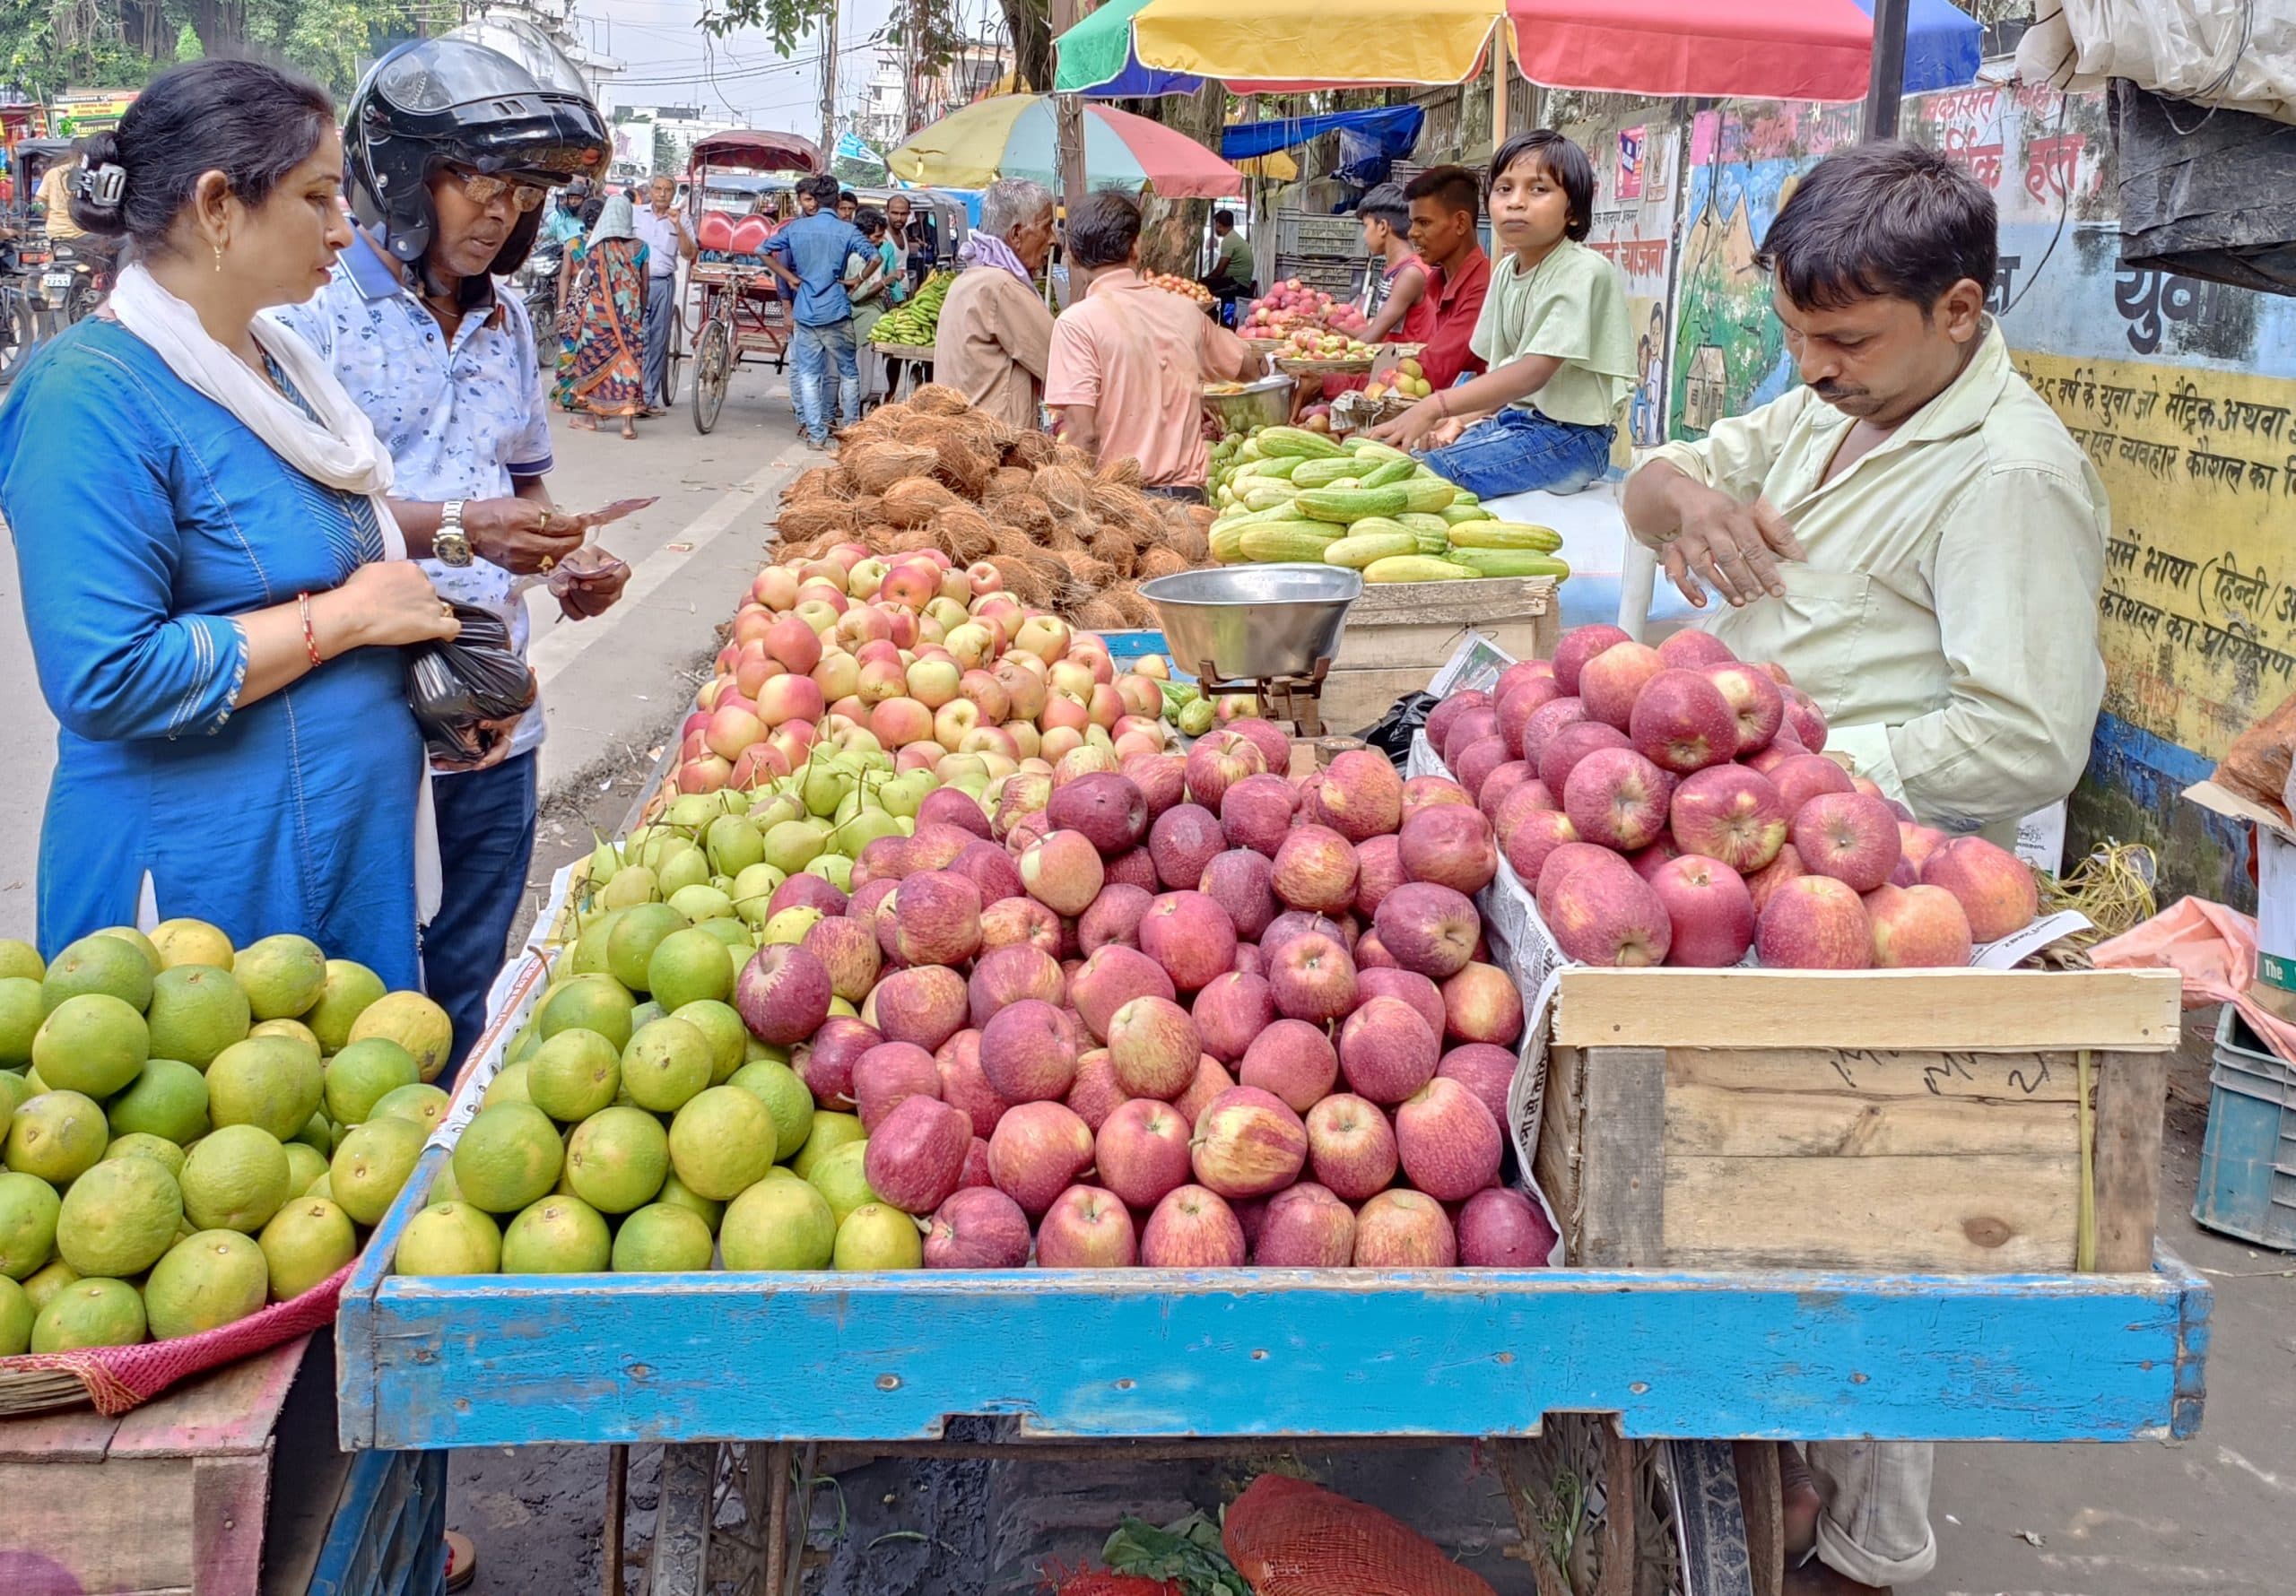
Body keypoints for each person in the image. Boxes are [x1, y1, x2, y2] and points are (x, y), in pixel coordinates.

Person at [1622, 141, 2109, 1592]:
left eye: (1840, 338)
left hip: (1900, 882)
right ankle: (1774, 1465)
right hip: (1767, 855)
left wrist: (1802, 775)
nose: (1811, 362)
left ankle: (1871, 1545)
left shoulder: (2010, 475)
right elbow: (1667, 473)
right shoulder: (1833, 408)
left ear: (1961, 309)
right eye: (1794, 334)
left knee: (1880, 1210)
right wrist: (1682, 506)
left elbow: (2025, 737)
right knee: (1766, 1188)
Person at [0, 59, 458, 981]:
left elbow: (332, 556)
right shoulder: (87, 397)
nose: (345, 229)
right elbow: (106, 674)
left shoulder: (278, 367)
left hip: (338, 846)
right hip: (203, 887)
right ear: (218, 205)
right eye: (319, 197)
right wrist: (352, 619)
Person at [274, 37, 631, 1079]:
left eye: (519, 190)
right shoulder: (312, 315)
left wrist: (567, 559)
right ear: (398, 172)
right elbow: (298, 519)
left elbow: (522, 482)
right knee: (360, 1011)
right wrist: (471, 526)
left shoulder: (510, 321)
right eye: (474, 178)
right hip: (368, 721)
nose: (499, 211)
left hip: (496, 721)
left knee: (464, 984)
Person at [1374, 131, 1635, 499]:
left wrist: (1436, 405)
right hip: (1515, 423)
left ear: (1572, 210)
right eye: (1504, 189)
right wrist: (1460, 420)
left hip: (1571, 440)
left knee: (1436, 474)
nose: (1516, 202)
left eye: (1538, 190)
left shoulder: (1584, 270)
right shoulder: (1505, 272)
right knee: (1417, 457)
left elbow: (1531, 372)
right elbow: (1504, 372)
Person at [1046, 190, 1260, 499]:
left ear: (1074, 257)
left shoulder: (1076, 324)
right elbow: (1247, 369)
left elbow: (1084, 435)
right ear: (1136, 247)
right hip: (1187, 502)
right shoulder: (1186, 311)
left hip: (1119, 504)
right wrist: (1264, 360)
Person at [934, 177, 1056, 431]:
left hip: (964, 437)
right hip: (996, 445)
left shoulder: (970, 279)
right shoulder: (1001, 287)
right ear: (1016, 234)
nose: (1053, 239)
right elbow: (1060, 362)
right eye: (1047, 227)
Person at [763, 171, 873, 449]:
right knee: (848, 371)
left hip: (805, 310)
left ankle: (816, 435)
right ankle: (850, 431)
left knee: (809, 374)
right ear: (837, 201)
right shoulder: (847, 230)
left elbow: (761, 249)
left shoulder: (797, 228)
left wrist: (789, 277)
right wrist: (856, 280)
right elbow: (876, 256)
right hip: (836, 308)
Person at [556, 194, 649, 438]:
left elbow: (586, 280)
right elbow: (645, 287)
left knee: (593, 364)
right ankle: (628, 425)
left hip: (599, 319)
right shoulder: (641, 247)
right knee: (628, 364)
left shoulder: (597, 248)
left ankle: (593, 418)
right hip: (629, 317)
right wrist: (638, 313)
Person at [1401, 163, 1492, 394]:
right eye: (1412, 222)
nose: (1412, 232)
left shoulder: (1483, 288)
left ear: (1460, 223)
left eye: (1424, 222)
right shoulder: (1436, 283)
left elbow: (1431, 372)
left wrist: (1331, 382)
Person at [633, 173, 695, 412]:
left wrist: (678, 225)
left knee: (658, 339)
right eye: (657, 189)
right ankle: (631, 393)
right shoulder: (636, 214)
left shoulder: (682, 220)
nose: (661, 193)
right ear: (649, 190)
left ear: (673, 193)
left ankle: (647, 397)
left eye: (667, 190)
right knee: (637, 338)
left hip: (661, 283)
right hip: (635, 283)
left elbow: (690, 254)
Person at [1358, 182, 1435, 345]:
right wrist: (1327, 321)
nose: (1364, 235)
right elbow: (1375, 330)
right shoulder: (1395, 269)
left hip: (1408, 366)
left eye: (1366, 226)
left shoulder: (1411, 274)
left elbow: (1370, 339)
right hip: (1390, 359)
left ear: (1383, 227)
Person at [35, 143, 84, 240]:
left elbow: (37, 202)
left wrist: (51, 218)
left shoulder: (53, 173)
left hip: (56, 232)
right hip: (84, 234)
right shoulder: (91, 173)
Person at [1205, 206, 1253, 303]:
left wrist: (1205, 280)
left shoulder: (1229, 240)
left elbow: (1219, 271)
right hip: (1240, 282)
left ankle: (1211, 317)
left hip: (1238, 285)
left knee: (1204, 291)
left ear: (1218, 224)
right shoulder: (1234, 237)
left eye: (1215, 224)